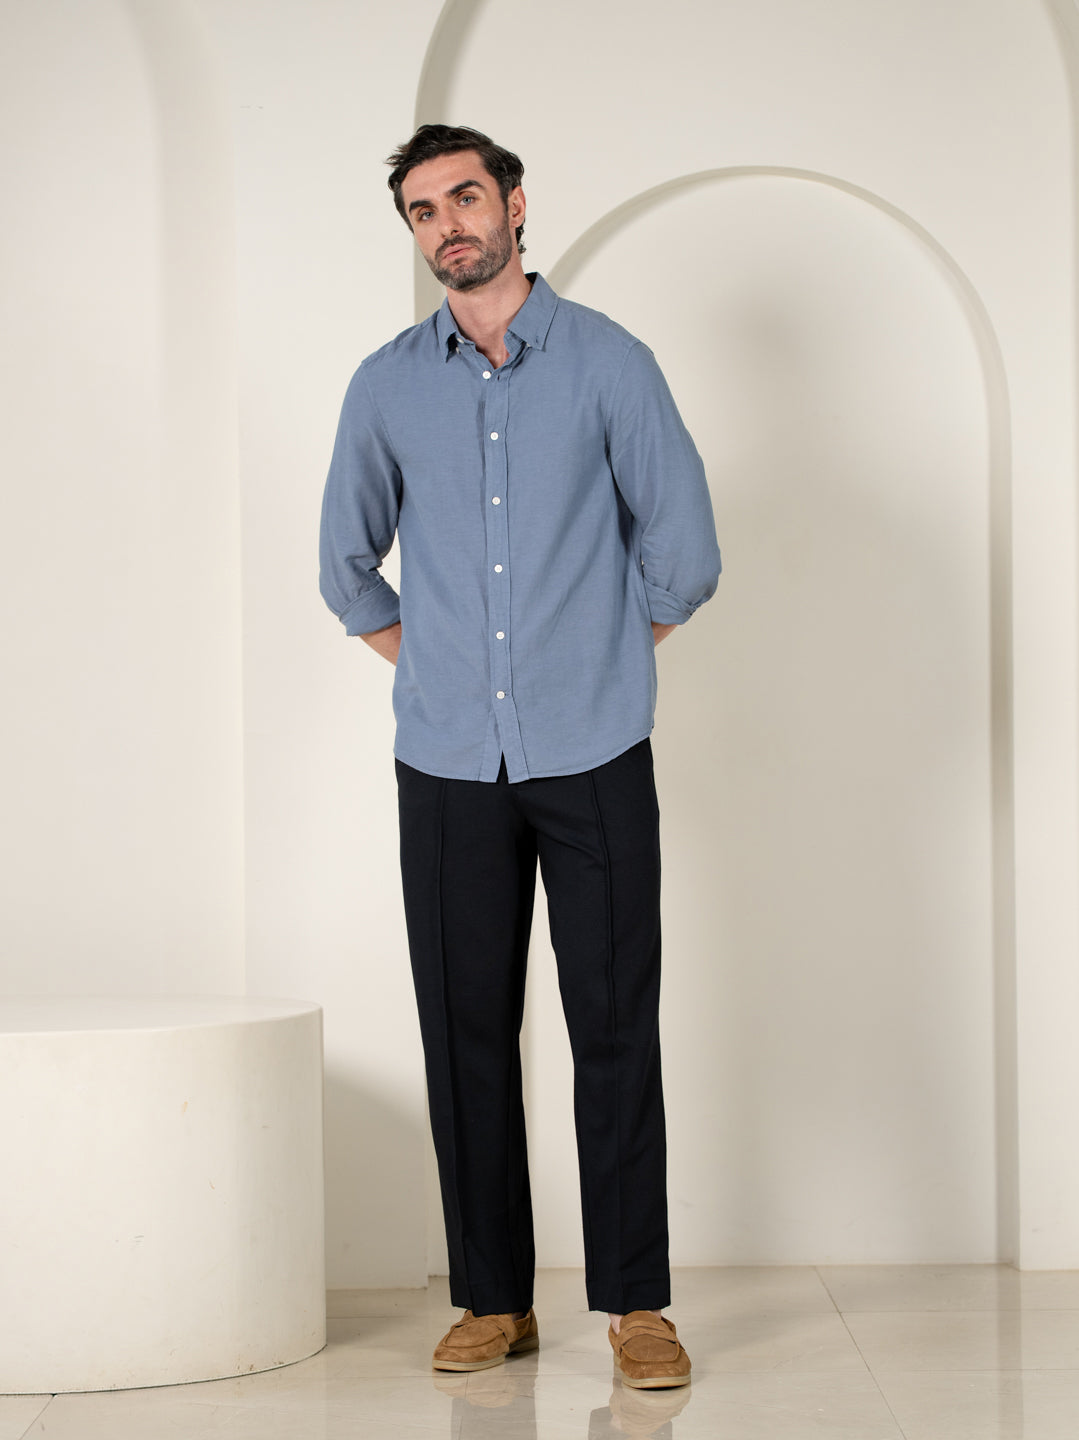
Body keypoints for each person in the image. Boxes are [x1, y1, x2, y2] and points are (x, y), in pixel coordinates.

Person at [319, 124, 720, 1390]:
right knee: (465, 1033)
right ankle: (492, 1300)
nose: (447, 224)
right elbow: (344, 566)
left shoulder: (609, 363)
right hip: (445, 764)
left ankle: (637, 1306)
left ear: (513, 204)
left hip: (592, 751)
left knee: (612, 1027)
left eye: (464, 197)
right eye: (422, 210)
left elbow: (685, 548)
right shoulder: (386, 385)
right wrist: (435, 669)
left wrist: (598, 656)